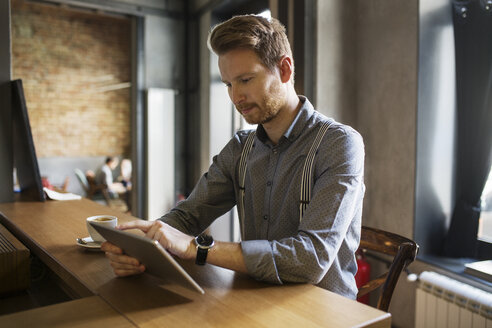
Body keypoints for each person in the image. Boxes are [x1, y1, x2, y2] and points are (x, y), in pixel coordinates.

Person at [102, 15, 365, 299]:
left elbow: (310, 259)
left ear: (285, 70)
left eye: (246, 80)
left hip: (324, 312)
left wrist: (197, 248)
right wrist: (141, 247)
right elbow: (188, 215)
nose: (236, 96)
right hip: (255, 298)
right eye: (228, 84)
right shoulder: (241, 147)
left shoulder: (339, 144)